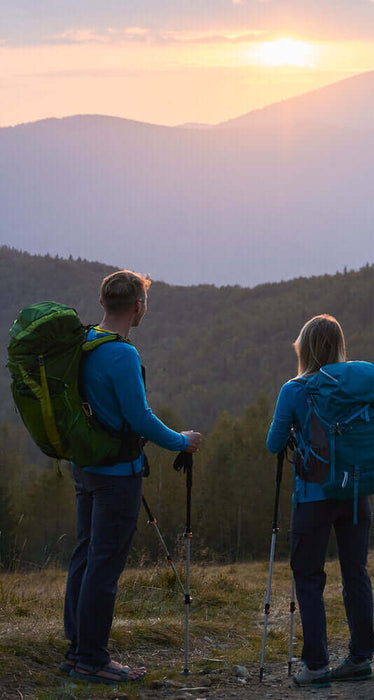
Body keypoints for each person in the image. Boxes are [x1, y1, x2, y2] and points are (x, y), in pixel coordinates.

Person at [62, 270, 201, 685]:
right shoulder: (122, 354)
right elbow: (139, 418)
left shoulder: (85, 342)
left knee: (86, 556)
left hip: (85, 466)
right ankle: (93, 659)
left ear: (104, 303)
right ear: (138, 306)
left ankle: (77, 652)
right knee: (104, 566)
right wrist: (181, 441)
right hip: (116, 476)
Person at [266, 314, 374, 687]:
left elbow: (273, 444)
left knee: (309, 579)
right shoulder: (358, 385)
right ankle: (360, 658)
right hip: (357, 491)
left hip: (313, 497)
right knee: (355, 573)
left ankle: (316, 666)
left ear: (306, 348)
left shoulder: (295, 389)